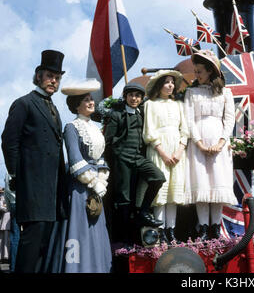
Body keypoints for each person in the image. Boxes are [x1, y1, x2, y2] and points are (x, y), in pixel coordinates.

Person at [1, 49, 67, 273]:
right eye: (50, 76)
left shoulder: (55, 109)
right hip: (32, 186)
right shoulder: (24, 103)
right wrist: (17, 176)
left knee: (43, 246)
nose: (54, 81)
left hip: (51, 189)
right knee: (31, 243)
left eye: (57, 78)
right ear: (38, 75)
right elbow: (9, 141)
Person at [57, 80, 112, 273]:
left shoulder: (95, 128)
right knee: (80, 227)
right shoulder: (71, 127)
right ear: (76, 105)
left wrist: (102, 180)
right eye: (86, 100)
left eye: (91, 99)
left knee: (96, 225)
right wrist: (93, 182)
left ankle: (97, 267)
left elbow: (100, 157)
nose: (91, 103)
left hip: (97, 185)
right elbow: (74, 159)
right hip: (80, 187)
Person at [104, 82, 166, 244]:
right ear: (125, 97)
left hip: (138, 157)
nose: (134, 98)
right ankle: (124, 238)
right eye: (131, 95)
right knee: (124, 199)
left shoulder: (141, 114)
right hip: (122, 158)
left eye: (137, 95)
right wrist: (118, 154)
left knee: (158, 177)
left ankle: (144, 212)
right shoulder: (116, 115)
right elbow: (108, 140)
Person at [184, 50, 236, 240]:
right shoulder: (191, 93)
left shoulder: (225, 93)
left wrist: (221, 142)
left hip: (219, 143)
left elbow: (229, 119)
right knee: (202, 185)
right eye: (195, 71)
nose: (196, 75)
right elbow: (189, 120)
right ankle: (203, 228)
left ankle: (216, 227)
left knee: (217, 184)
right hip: (198, 145)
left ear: (210, 71)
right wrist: (199, 143)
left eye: (200, 71)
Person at [143, 70, 188, 243]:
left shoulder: (178, 105)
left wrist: (179, 151)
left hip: (176, 150)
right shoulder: (150, 105)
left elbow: (185, 130)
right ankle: (159, 231)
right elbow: (149, 131)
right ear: (159, 85)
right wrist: (162, 152)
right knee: (160, 193)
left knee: (173, 193)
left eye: (172, 82)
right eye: (166, 82)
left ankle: (171, 231)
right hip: (159, 150)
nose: (170, 85)